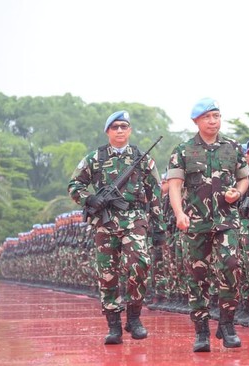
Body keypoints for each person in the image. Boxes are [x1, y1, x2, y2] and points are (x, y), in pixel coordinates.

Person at [68, 110, 166, 345]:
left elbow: (154, 194)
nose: (120, 131)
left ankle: (134, 317)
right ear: (107, 132)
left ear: (130, 130)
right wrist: (90, 199)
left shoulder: (142, 158)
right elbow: (74, 185)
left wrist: (158, 227)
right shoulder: (95, 158)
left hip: (135, 219)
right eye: (115, 127)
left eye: (124, 126)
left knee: (139, 264)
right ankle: (113, 325)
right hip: (105, 221)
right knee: (107, 274)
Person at [166, 98, 249, 352]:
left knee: (231, 266)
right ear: (196, 121)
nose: (213, 121)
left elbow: (244, 178)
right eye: (207, 117)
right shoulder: (183, 150)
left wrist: (238, 192)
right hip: (195, 222)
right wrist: (179, 213)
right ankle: (201, 330)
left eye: (216, 116)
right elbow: (175, 185)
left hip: (226, 221)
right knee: (197, 277)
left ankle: (227, 324)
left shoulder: (232, 147)